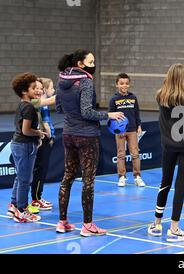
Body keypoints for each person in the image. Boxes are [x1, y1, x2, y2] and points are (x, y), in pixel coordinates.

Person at [56, 49, 124, 236]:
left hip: (68, 134)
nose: (94, 65)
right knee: (88, 181)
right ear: (80, 64)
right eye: (91, 62)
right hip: (86, 136)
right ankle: (87, 226)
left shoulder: (61, 79)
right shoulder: (85, 82)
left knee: (67, 177)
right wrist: (108, 114)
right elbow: (87, 112)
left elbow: (59, 107)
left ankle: (62, 222)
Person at [147, 63, 184, 242]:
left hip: (168, 146)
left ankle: (157, 224)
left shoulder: (161, 95)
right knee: (180, 185)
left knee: (165, 182)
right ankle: (174, 228)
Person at [7, 72, 47, 223]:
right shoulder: (29, 107)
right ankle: (22, 211)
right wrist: (39, 133)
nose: (36, 90)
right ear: (25, 91)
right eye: (33, 88)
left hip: (18, 144)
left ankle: (14, 205)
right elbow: (26, 130)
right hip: (25, 145)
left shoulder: (23, 105)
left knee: (20, 177)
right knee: (25, 179)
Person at [109, 73, 145, 187]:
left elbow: (136, 113)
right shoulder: (114, 99)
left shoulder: (133, 98)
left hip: (132, 130)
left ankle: (137, 176)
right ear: (117, 84)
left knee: (135, 153)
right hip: (120, 131)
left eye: (126, 83)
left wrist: (139, 125)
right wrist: (116, 129)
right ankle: (122, 177)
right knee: (121, 154)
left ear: (129, 85)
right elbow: (110, 115)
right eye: (121, 83)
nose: (124, 86)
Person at [30, 78, 56, 211]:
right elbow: (44, 123)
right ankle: (35, 199)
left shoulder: (43, 105)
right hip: (40, 140)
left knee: (42, 170)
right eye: (52, 88)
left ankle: (37, 197)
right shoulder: (36, 102)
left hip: (45, 140)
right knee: (39, 170)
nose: (54, 90)